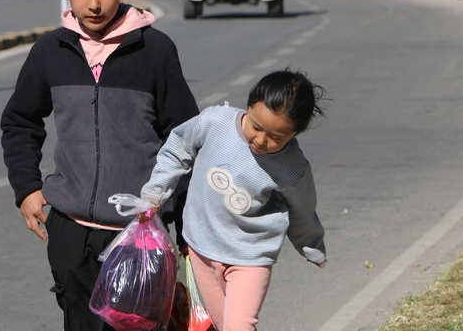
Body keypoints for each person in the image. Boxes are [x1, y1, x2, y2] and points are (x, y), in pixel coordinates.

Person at [0, 0, 199, 331]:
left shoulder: (155, 51)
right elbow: (20, 120)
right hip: (70, 232)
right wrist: (26, 188)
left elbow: (184, 136)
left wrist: (181, 222)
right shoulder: (49, 52)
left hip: (140, 232)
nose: (93, 4)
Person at [140, 69, 328, 331]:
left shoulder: (292, 167)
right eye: (256, 127)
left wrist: (312, 245)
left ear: (297, 132)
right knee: (221, 324)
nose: (261, 141)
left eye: (276, 137)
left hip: (250, 257)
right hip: (202, 249)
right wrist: (154, 192)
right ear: (249, 106)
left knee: (238, 326)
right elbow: (177, 149)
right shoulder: (214, 122)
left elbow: (302, 209)